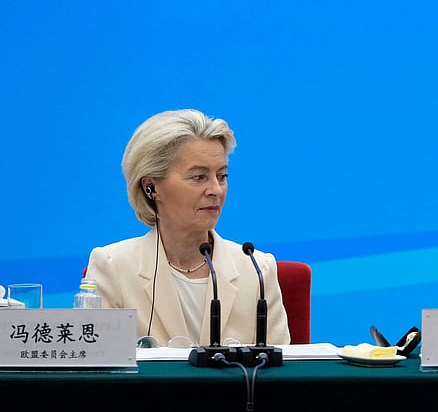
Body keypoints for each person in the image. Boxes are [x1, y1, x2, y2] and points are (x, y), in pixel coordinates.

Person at [85, 109, 291, 346]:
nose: (216, 189)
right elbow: (97, 373)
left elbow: (282, 374)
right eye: (199, 177)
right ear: (152, 187)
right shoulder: (113, 267)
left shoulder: (256, 269)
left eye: (222, 176)